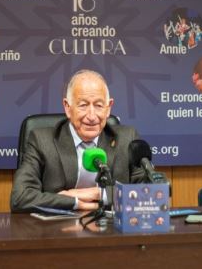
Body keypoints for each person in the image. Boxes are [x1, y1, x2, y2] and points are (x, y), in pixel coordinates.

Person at [10, 70, 145, 212]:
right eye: (83, 105)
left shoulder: (127, 139)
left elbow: (150, 194)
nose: (92, 116)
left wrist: (99, 194)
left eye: (99, 105)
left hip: (111, 230)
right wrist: (73, 202)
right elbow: (20, 198)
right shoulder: (42, 141)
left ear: (108, 108)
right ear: (68, 107)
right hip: (59, 231)